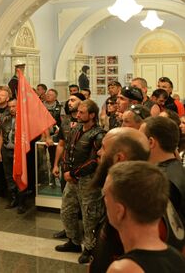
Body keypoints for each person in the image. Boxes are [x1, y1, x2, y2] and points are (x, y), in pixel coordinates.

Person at [103, 161, 185, 273]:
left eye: (106, 196)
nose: (104, 201)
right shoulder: (177, 258)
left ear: (119, 211)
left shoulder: (123, 269)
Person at [89, 128, 151, 273]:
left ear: (119, 158)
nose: (99, 153)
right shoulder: (119, 193)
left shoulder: (136, 206)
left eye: (103, 148)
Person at [55, 99, 105, 264]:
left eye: (82, 112)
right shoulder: (75, 129)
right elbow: (67, 150)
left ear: (92, 115)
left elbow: (95, 161)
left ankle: (90, 248)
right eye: (78, 112)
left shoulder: (99, 134)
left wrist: (74, 173)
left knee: (90, 215)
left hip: (88, 180)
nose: (77, 115)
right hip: (72, 177)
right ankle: (74, 241)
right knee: (67, 210)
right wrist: (65, 170)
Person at [0, 99, 28, 213]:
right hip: (6, 150)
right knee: (9, 176)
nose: (12, 109)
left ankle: (22, 202)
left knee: (19, 176)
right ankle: (13, 199)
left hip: (18, 152)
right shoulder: (5, 118)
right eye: (10, 107)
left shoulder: (24, 119)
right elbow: (1, 135)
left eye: (14, 106)